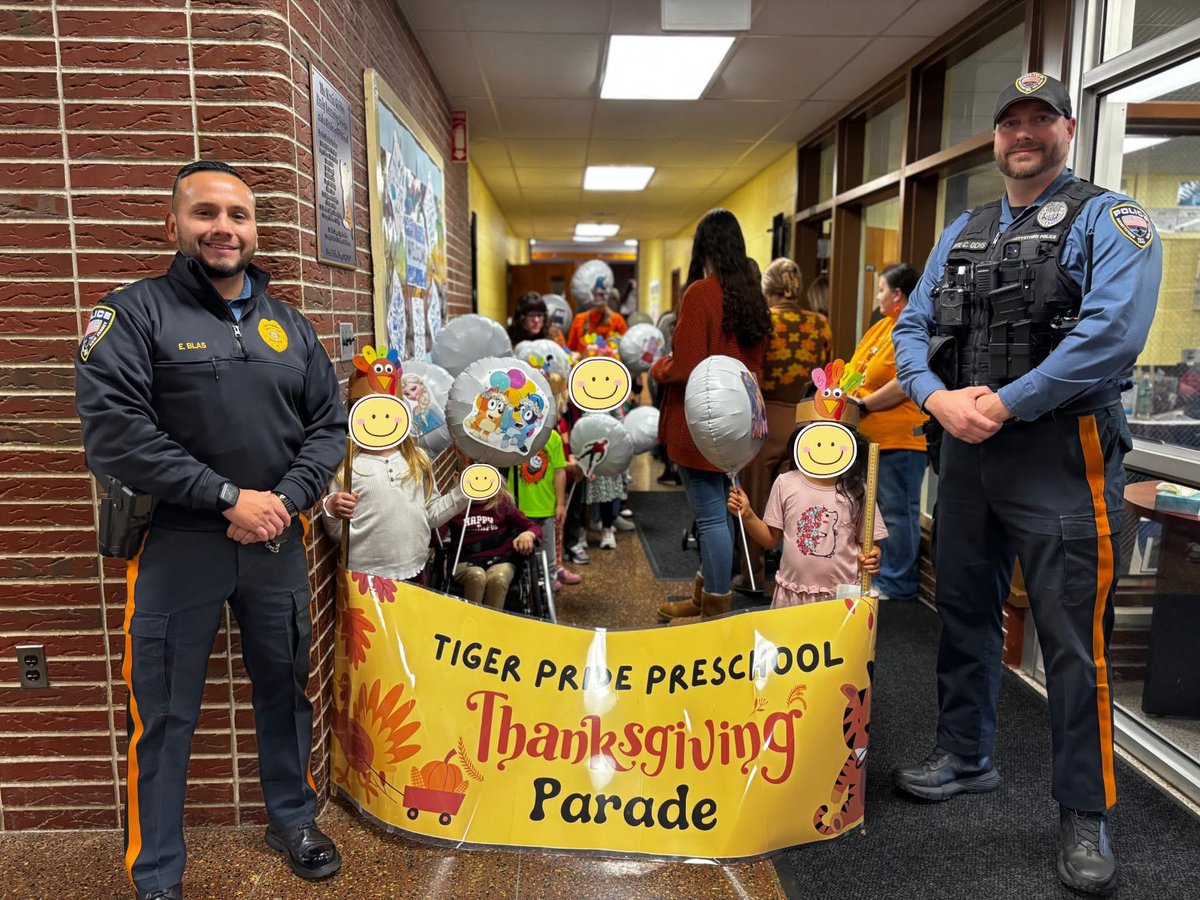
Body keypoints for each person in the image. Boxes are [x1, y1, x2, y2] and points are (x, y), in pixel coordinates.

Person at [891, 73, 1162, 896]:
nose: (1023, 133)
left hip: (1060, 451)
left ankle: (1087, 812)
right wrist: (933, 396)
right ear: (996, 138)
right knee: (964, 611)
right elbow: (911, 328)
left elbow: (1111, 334)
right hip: (966, 452)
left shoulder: (1111, 219)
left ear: (1068, 130)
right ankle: (966, 754)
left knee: (1073, 643)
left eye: (1039, 119)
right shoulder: (962, 231)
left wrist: (1006, 403)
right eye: (1011, 121)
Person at [74, 160, 349, 900]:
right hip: (176, 544)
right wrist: (227, 496)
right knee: (162, 713)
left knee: (286, 691)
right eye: (205, 213)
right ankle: (157, 871)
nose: (223, 227)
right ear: (174, 225)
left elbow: (328, 427)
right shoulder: (132, 314)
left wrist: (285, 500)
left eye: (238, 215)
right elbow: (115, 435)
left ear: (255, 231)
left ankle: (291, 818)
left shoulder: (290, 324)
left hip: (274, 542)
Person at [652, 209, 771, 621]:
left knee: (711, 521)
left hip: (700, 422)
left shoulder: (701, 293)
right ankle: (706, 597)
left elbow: (684, 366)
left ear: (703, 247)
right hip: (742, 420)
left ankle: (716, 608)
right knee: (721, 514)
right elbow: (755, 364)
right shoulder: (753, 296)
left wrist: (656, 368)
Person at [735, 257, 832, 590]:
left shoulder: (761, 321)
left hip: (764, 416)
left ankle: (753, 574)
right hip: (806, 419)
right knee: (800, 499)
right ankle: (799, 572)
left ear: (767, 288)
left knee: (756, 501)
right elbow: (826, 372)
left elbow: (749, 369)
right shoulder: (820, 323)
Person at [320, 374, 466, 583]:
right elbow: (337, 533)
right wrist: (332, 509)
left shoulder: (418, 459)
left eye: (388, 413)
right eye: (371, 414)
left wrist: (464, 493)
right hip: (364, 577)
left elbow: (431, 514)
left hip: (414, 569)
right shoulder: (348, 467)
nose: (380, 421)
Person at [727, 429, 884, 606]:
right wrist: (747, 514)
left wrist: (873, 558)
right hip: (793, 594)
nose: (825, 449)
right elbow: (770, 539)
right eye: (818, 441)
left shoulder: (858, 491)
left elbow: (870, 547)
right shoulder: (785, 483)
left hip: (840, 597)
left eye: (833, 442)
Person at [846, 262, 926, 602]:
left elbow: (907, 380)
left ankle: (899, 583)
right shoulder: (879, 328)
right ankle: (882, 576)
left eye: (881, 289)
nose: (876, 295)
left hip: (901, 439)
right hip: (869, 438)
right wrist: (844, 394)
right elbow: (854, 368)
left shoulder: (915, 329)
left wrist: (866, 404)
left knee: (897, 511)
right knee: (876, 510)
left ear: (897, 295)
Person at [447, 489, 542, 608]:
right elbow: (437, 537)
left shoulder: (501, 504)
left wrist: (527, 535)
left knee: (498, 579)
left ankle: (491, 622)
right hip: (465, 561)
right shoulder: (454, 506)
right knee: (477, 576)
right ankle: (472, 621)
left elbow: (533, 527)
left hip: (500, 560)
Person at [566, 287, 627, 355]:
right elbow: (571, 348)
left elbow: (625, 347)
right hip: (584, 362)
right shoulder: (579, 319)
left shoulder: (617, 320)